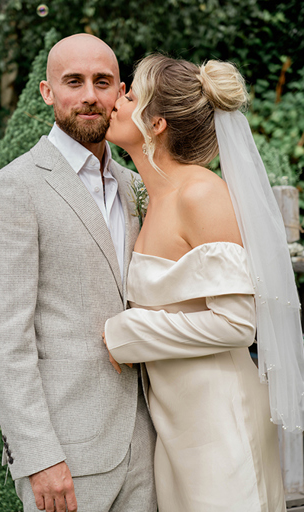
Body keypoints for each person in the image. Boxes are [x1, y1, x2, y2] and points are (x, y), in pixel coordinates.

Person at [0, 34, 157, 512]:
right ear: (47, 92)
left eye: (103, 82)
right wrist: (38, 457)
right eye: (73, 81)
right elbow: (4, 341)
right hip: (68, 456)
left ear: (121, 92)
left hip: (153, 444)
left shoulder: (135, 185)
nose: (90, 95)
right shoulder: (13, 189)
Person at [103, 54, 292, 511]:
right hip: (177, 426)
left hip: (221, 418)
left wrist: (126, 332)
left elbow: (237, 324)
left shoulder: (201, 193)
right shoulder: (153, 197)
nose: (115, 98)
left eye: (129, 94)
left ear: (158, 122)